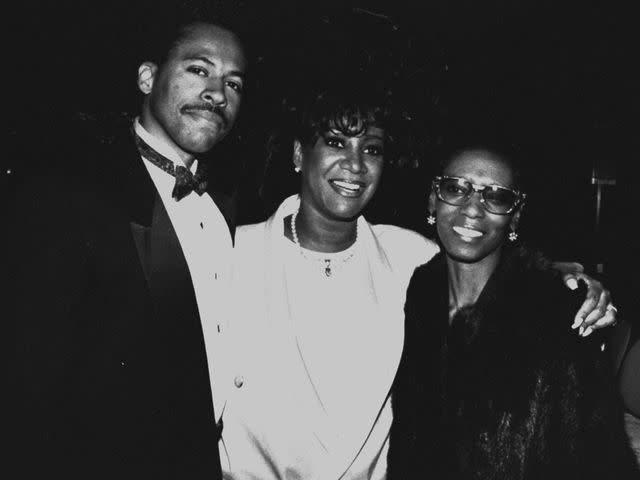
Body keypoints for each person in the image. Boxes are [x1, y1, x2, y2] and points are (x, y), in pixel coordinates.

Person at [220, 80, 616, 479]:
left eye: (371, 149)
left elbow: (491, 274)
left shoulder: (405, 256)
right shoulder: (228, 255)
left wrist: (566, 287)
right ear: (298, 154)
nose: (355, 165)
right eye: (336, 142)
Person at [9, 11, 246, 480]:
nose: (218, 94)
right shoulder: (65, 195)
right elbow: (26, 387)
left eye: (234, 83)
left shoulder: (235, 207)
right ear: (147, 77)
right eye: (198, 69)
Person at [387, 138, 639, 478]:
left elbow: (603, 460)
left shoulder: (560, 316)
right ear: (433, 200)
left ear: (515, 218)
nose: (473, 208)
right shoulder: (415, 294)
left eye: (496, 196)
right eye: (456, 188)